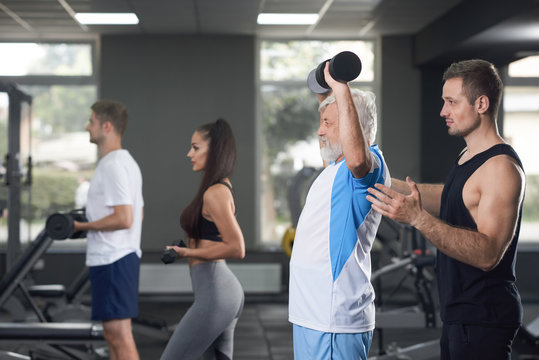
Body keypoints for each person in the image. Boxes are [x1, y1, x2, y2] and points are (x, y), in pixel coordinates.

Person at [366, 59, 525, 359]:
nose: (443, 111)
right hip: (459, 314)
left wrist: (418, 218)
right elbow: (449, 196)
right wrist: (379, 180)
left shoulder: (501, 168)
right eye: (443, 102)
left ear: (481, 103)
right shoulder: (469, 155)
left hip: (484, 317)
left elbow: (488, 254)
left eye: (451, 102)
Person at [288, 62, 391, 360]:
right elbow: (337, 145)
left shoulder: (368, 163)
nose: (320, 131)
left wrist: (341, 87)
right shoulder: (335, 168)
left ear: (353, 126)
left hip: (334, 318)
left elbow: (357, 158)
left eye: (329, 124)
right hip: (312, 314)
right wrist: (325, 95)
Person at [160, 118, 245, 360]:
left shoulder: (215, 192)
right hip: (219, 290)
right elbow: (213, 238)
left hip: (216, 294)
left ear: (215, 150)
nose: (189, 153)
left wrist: (186, 253)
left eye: (195, 147)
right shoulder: (219, 187)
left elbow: (237, 248)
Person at [73, 100, 144, 360]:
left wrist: (82, 226)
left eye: (91, 122)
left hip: (114, 257)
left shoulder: (114, 165)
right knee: (113, 334)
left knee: (118, 334)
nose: (87, 127)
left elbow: (125, 218)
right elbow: (138, 213)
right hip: (116, 256)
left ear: (107, 126)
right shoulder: (124, 163)